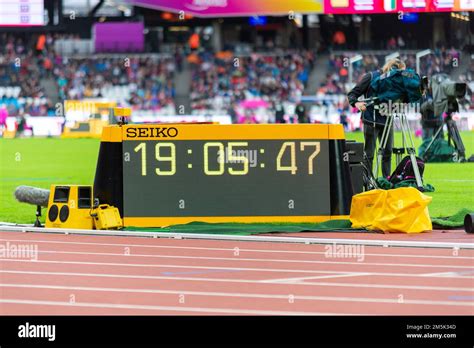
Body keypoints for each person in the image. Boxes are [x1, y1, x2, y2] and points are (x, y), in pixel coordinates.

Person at [347, 58, 407, 178]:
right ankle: (368, 181)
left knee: (388, 153)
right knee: (369, 154)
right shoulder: (370, 77)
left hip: (387, 120)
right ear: (393, 68)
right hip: (371, 120)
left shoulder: (395, 81)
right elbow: (352, 94)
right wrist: (357, 104)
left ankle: (386, 180)